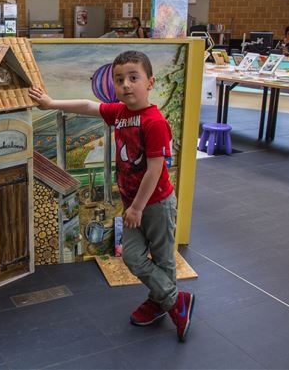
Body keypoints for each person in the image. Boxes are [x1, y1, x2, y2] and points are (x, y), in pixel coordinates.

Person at [28, 51, 195, 342]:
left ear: (150, 82)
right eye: (120, 80)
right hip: (134, 204)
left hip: (155, 204)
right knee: (132, 257)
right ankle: (174, 300)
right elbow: (88, 105)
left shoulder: (153, 121)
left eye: (134, 78)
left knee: (164, 259)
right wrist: (51, 103)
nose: (126, 85)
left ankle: (161, 301)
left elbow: (155, 170)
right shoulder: (119, 113)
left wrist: (137, 208)